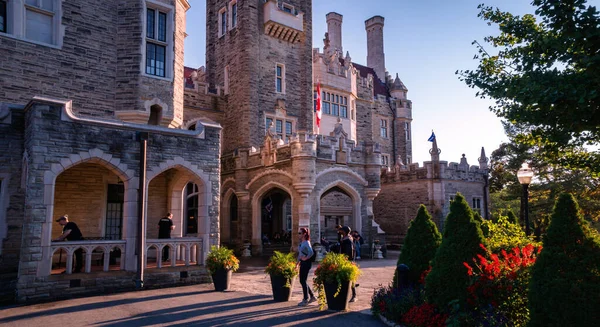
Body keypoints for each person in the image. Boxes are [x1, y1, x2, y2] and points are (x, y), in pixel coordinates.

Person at [297, 227, 317, 306]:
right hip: (303, 263)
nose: (298, 235)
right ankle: (311, 296)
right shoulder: (302, 243)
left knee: (302, 280)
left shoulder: (306, 242)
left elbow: (311, 252)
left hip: (306, 263)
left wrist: (306, 258)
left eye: (300, 233)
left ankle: (306, 299)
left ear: (304, 234)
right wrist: (297, 263)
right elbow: (300, 254)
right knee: (303, 280)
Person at [339, 225, 358, 302]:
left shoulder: (348, 240)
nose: (340, 231)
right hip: (342, 260)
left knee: (350, 278)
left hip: (347, 261)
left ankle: (354, 295)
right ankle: (342, 294)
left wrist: (346, 260)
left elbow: (349, 252)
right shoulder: (344, 239)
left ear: (345, 232)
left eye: (342, 230)